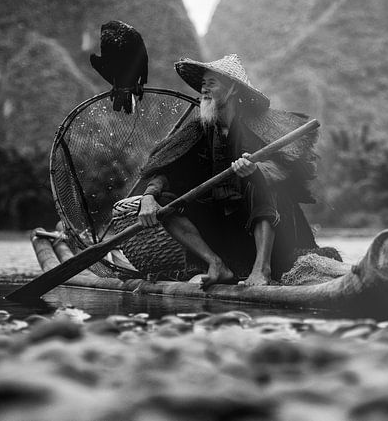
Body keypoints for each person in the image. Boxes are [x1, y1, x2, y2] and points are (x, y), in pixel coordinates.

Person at [137, 54, 321, 287]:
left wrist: (255, 170)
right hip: (220, 229)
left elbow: (284, 166)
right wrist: (148, 196)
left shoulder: (259, 125)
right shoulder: (199, 129)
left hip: (261, 226)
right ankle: (216, 264)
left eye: (211, 83)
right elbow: (169, 168)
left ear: (233, 88)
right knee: (165, 200)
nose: (204, 89)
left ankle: (261, 270)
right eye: (202, 84)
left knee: (260, 184)